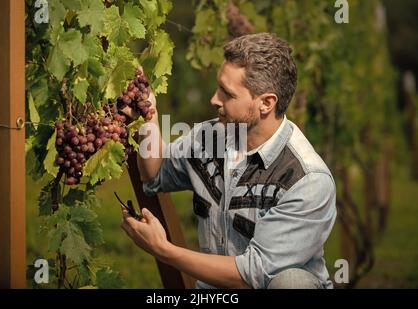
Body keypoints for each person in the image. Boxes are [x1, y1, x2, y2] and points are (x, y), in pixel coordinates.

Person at [120, 33, 337, 289]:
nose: (214, 99)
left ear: (266, 103)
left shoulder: (307, 180)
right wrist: (149, 116)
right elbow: (155, 173)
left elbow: (252, 274)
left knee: (292, 283)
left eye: (227, 94)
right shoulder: (210, 138)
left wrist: (163, 249)